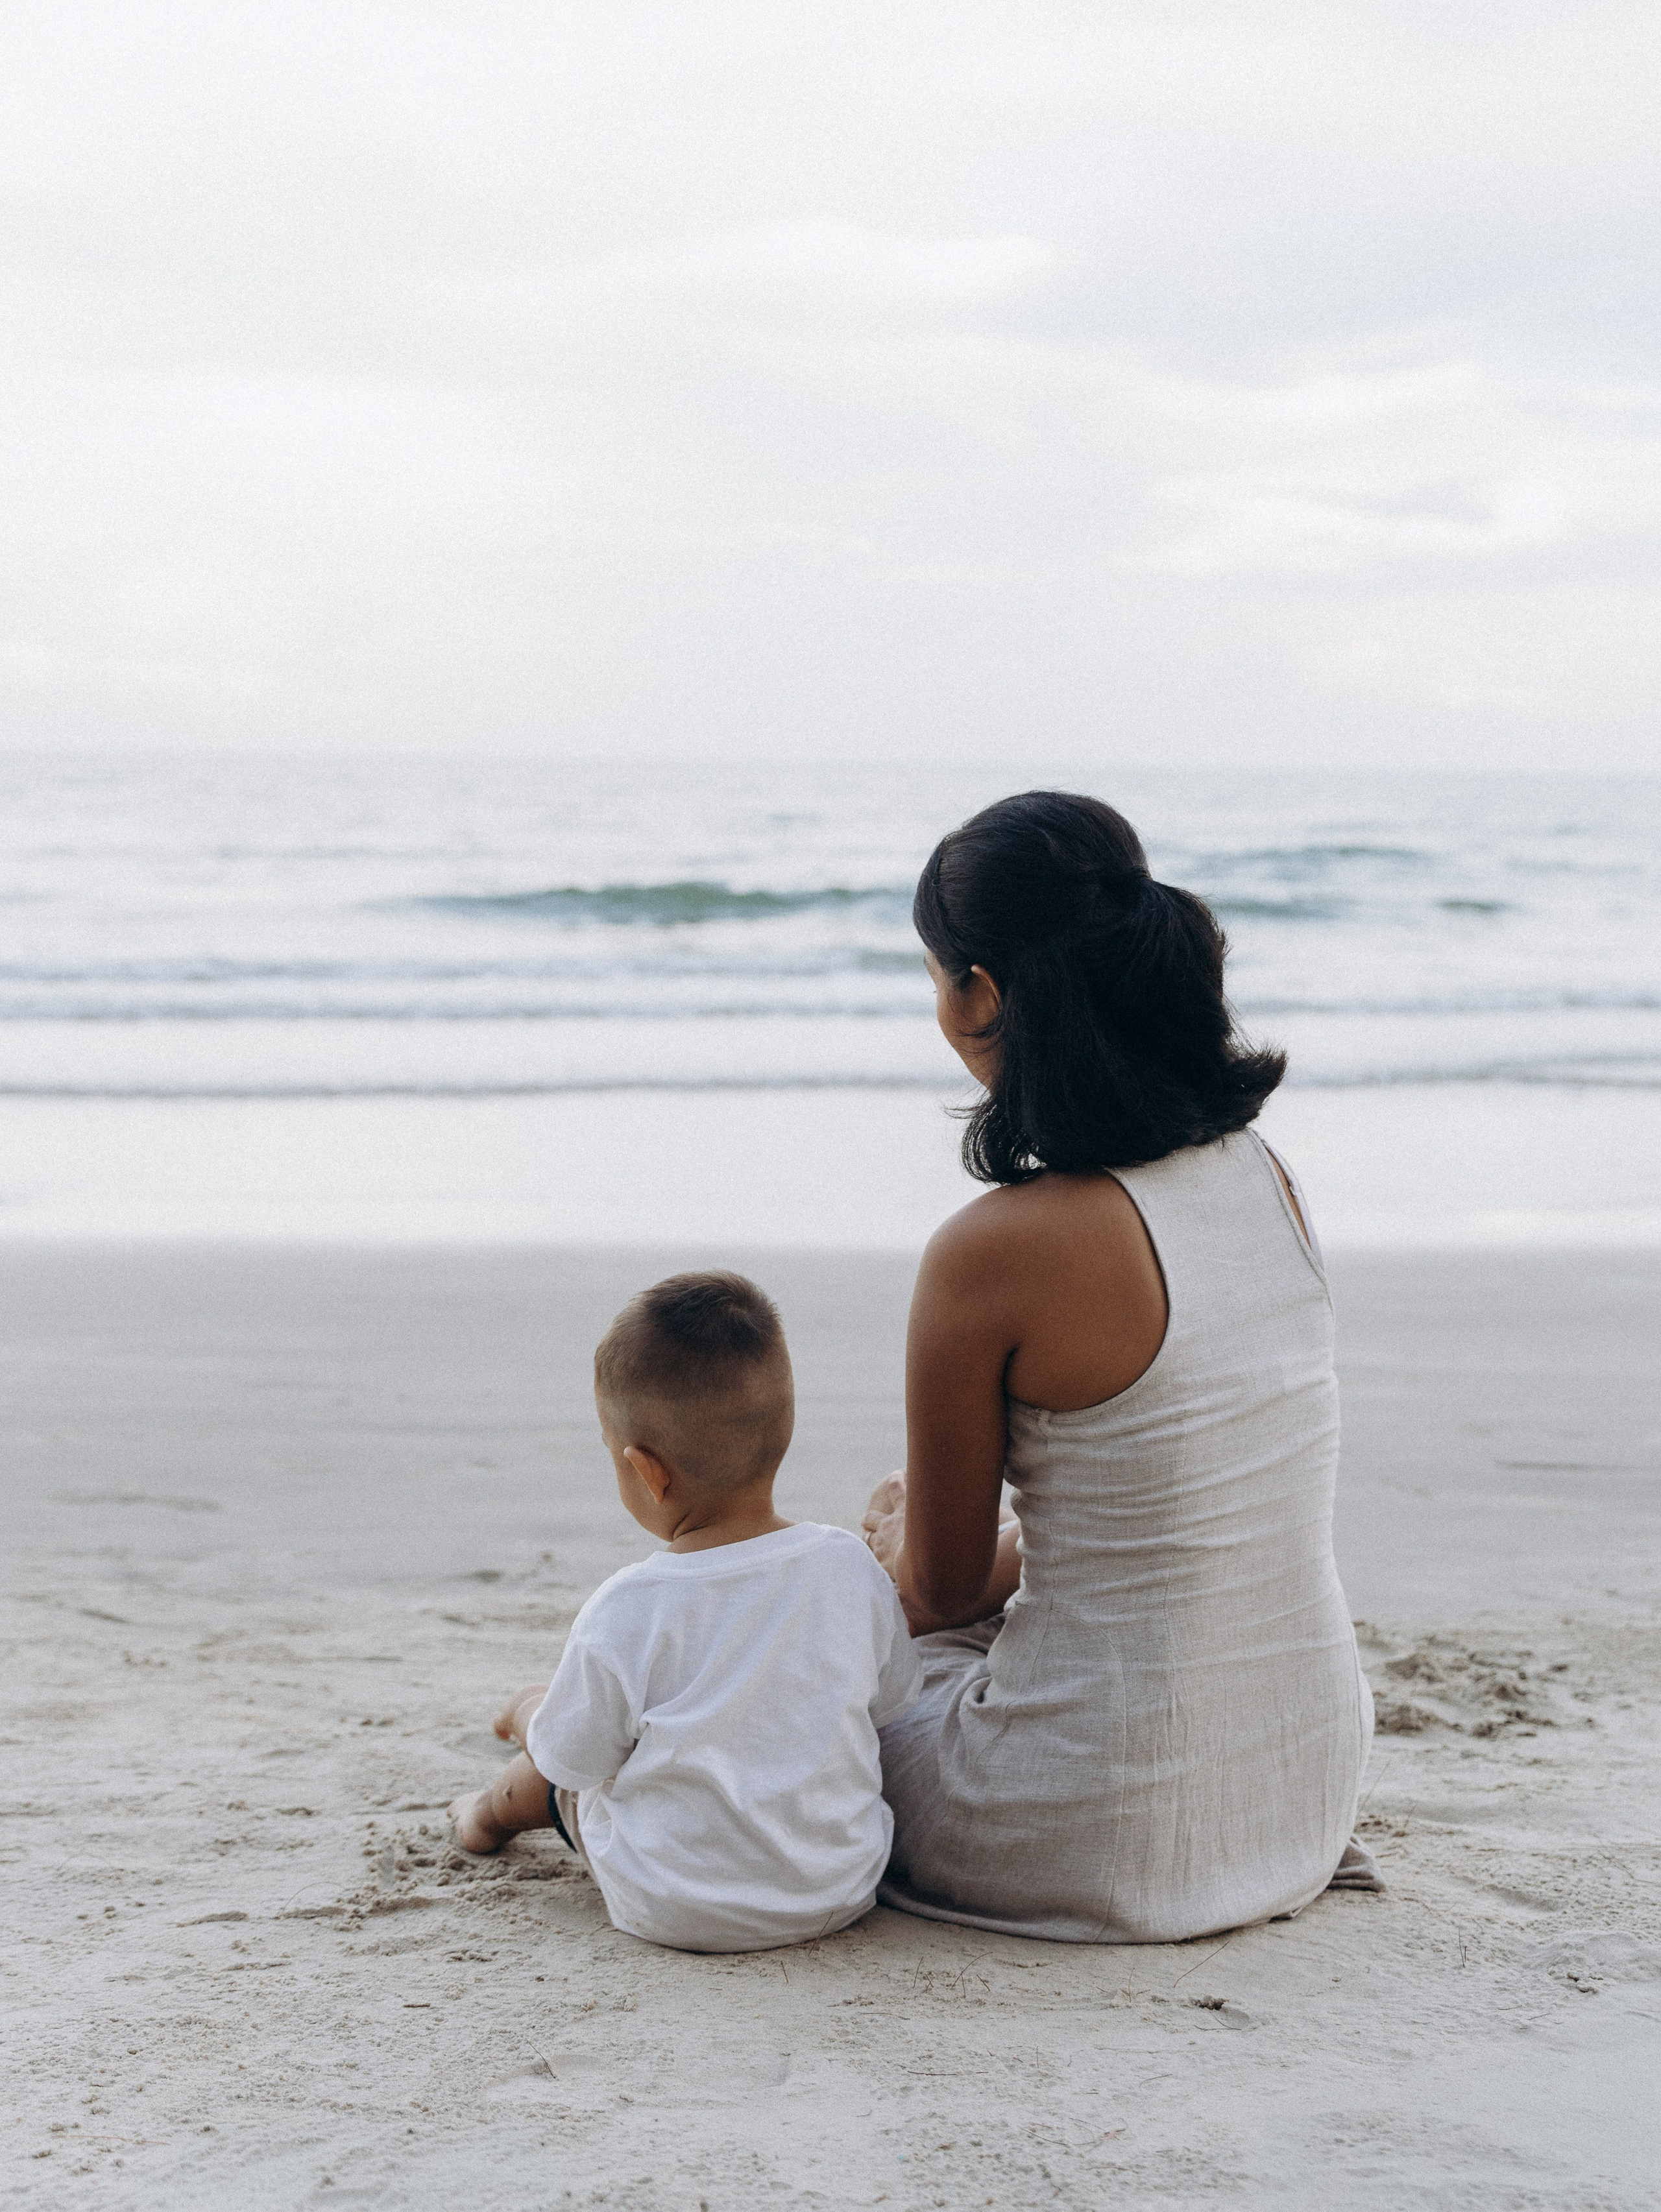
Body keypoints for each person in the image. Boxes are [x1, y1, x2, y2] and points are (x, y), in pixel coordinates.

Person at [861, 789, 1376, 1942]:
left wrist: (891, 1537)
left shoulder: (993, 1254)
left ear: (984, 993)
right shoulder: (1266, 1178)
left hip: (1088, 1826)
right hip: (1299, 1783)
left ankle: (569, 1758)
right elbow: (1155, 1505)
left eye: (939, 978)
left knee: (796, 1693)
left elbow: (936, 1593)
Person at [451, 1269, 922, 1953]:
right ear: (782, 1428)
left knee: (552, 1777)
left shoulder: (628, 1605)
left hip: (676, 1902)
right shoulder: (847, 1566)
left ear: (647, 1470)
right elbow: (890, 1702)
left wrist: (532, 1715)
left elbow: (572, 1762)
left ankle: (481, 1818)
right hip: (838, 1889)